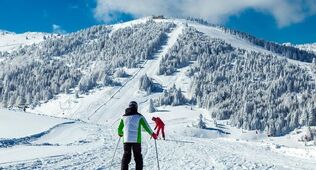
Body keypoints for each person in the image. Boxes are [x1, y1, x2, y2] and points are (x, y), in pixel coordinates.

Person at [118, 101, 157, 170]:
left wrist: (120, 133)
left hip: (126, 140)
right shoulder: (139, 116)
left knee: (126, 157)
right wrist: (152, 134)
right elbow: (146, 126)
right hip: (136, 140)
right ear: (136, 107)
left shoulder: (123, 117)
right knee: (138, 157)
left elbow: (119, 128)